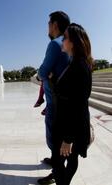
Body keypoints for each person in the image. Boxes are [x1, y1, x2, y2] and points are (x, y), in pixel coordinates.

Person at [51, 23, 93, 185]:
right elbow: (67, 89)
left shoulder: (80, 66)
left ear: (74, 42)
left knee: (59, 162)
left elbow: (78, 103)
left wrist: (68, 139)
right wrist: (54, 77)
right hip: (68, 125)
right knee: (68, 159)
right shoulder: (74, 63)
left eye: (65, 38)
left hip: (69, 128)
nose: (62, 40)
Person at [37, 11, 70, 185]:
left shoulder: (55, 44)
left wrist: (43, 74)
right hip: (65, 100)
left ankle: (57, 171)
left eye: (49, 24)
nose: (48, 27)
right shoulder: (70, 43)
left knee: (53, 138)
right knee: (59, 137)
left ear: (55, 24)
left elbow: (42, 72)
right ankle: (55, 160)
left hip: (55, 102)